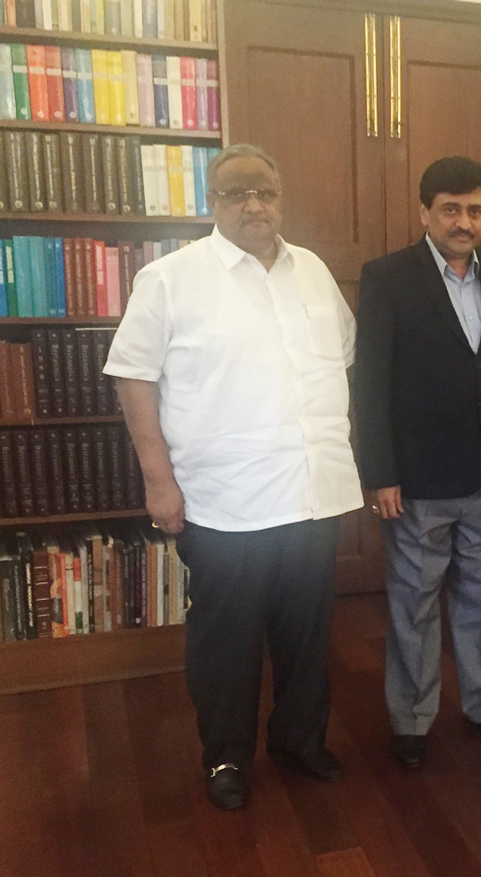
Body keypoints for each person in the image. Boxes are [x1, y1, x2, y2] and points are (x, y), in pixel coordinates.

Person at [104, 144, 362, 810]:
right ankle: (225, 755)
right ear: (211, 202)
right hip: (225, 503)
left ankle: (300, 741)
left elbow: (345, 357)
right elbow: (134, 377)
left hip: (313, 492)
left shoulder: (313, 272)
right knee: (227, 644)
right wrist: (158, 481)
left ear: (281, 197)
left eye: (265, 192)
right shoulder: (170, 278)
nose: (254, 204)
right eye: (236, 192)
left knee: (306, 635)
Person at [354, 156, 481, 770]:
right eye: (450, 209)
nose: (464, 221)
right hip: (417, 476)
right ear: (425, 211)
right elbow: (369, 381)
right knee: (414, 600)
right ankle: (411, 719)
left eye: (475, 210)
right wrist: (378, 471)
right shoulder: (386, 277)